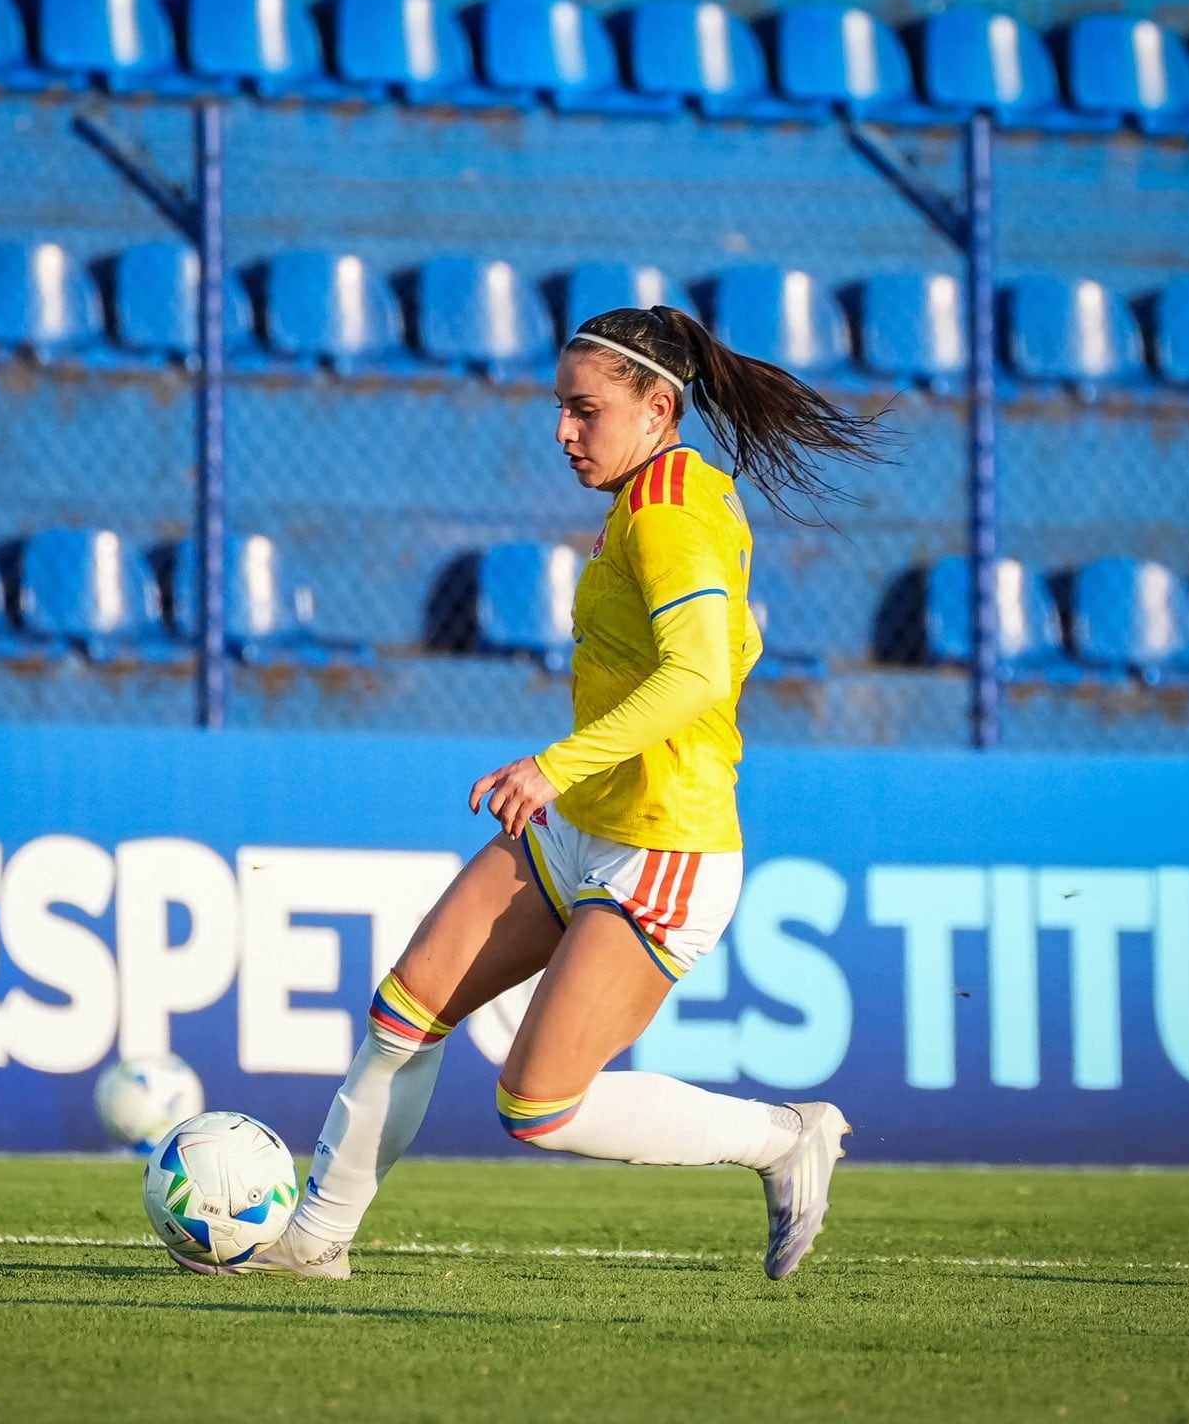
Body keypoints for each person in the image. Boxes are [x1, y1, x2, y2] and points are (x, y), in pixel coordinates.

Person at [180, 304, 887, 1283]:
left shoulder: (673, 512)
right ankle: (314, 1242)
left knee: (537, 1106)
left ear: (657, 407)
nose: (562, 430)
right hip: (582, 823)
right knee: (404, 1015)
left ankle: (782, 1136)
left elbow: (697, 674)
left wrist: (554, 765)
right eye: (560, 406)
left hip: (663, 847)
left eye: (584, 410)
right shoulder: (649, 498)